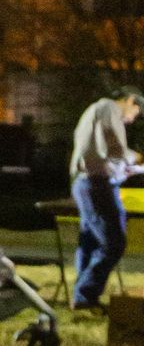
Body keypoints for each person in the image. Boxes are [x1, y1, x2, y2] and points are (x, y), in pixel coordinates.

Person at [67, 89, 141, 310]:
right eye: (136, 112)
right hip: (97, 185)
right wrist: (135, 157)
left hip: (86, 183)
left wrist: (130, 167)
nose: (132, 119)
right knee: (114, 243)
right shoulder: (108, 108)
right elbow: (114, 148)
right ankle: (85, 293)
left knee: (91, 243)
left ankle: (83, 299)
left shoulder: (95, 110)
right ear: (130, 100)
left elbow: (104, 155)